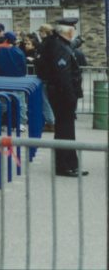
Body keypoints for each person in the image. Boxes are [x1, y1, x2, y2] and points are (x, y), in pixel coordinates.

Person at [36, 18, 88, 177]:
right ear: (68, 31)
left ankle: (68, 164)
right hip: (63, 94)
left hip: (58, 93)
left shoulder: (56, 42)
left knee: (64, 130)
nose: (74, 33)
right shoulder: (60, 47)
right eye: (73, 30)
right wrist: (70, 97)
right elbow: (63, 75)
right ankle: (66, 166)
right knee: (66, 131)